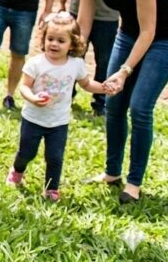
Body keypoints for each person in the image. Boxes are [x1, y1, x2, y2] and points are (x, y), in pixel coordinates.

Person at [71, 0, 168, 203]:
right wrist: (73, 59)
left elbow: (149, 30)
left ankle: (134, 183)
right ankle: (112, 172)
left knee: (140, 108)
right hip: (128, 34)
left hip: (165, 39)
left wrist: (124, 71)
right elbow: (84, 22)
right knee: (114, 103)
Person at [6, 13, 111, 201]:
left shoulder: (76, 64)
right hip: (33, 119)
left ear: (72, 44)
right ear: (44, 39)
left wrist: (104, 88)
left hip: (58, 122)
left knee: (55, 158)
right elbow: (24, 86)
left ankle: (51, 188)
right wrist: (33, 98)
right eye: (50, 39)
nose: (54, 44)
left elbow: (86, 84)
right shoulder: (36, 63)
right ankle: (17, 171)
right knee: (27, 153)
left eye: (61, 41)